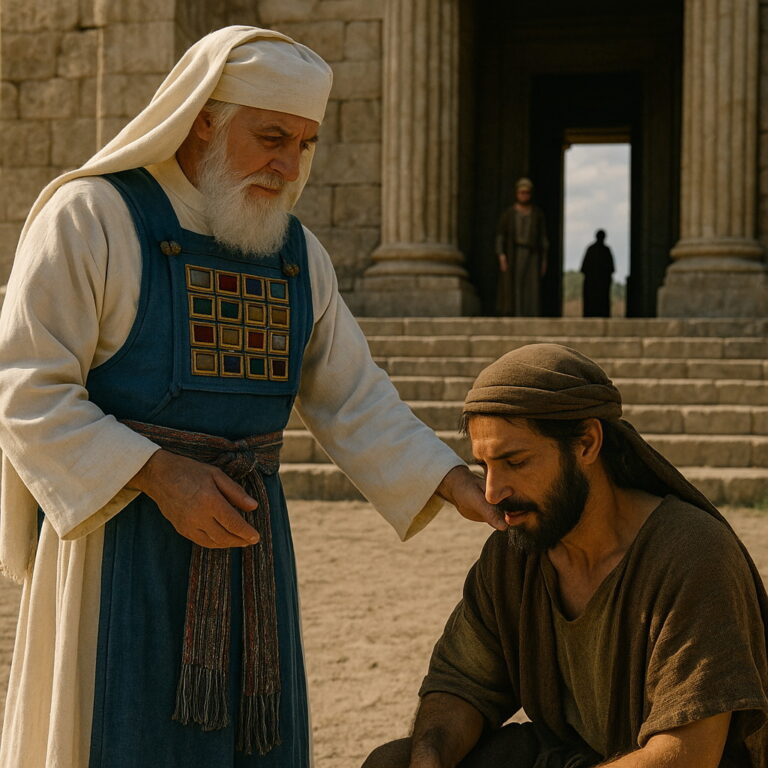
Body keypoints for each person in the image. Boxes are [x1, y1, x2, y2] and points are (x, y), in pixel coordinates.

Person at [0, 27, 504, 768]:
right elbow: (24, 385)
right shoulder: (91, 218)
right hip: (119, 548)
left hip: (248, 552)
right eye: (271, 136)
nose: (288, 164)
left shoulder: (297, 254)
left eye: (305, 144)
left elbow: (353, 395)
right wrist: (157, 473)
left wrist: (451, 481)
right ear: (203, 117)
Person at [363, 343, 768, 768]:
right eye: (484, 466)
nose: (492, 493)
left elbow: (687, 755)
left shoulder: (693, 555)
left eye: (515, 462)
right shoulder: (515, 551)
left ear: (587, 443)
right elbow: (462, 683)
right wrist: (429, 758)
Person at [495, 178, 549, 317]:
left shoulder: (537, 214)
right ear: (517, 193)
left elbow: (543, 238)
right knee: (514, 284)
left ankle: (531, 313)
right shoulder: (509, 214)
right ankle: (515, 313)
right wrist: (501, 255)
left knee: (532, 286)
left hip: (532, 253)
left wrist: (544, 259)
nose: (524, 195)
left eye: (527, 193)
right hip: (514, 253)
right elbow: (501, 236)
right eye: (521, 192)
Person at [580, 229, 615, 317]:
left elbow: (584, 268)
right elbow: (611, 269)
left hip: (594, 284)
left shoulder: (591, 249)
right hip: (598, 284)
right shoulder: (606, 250)